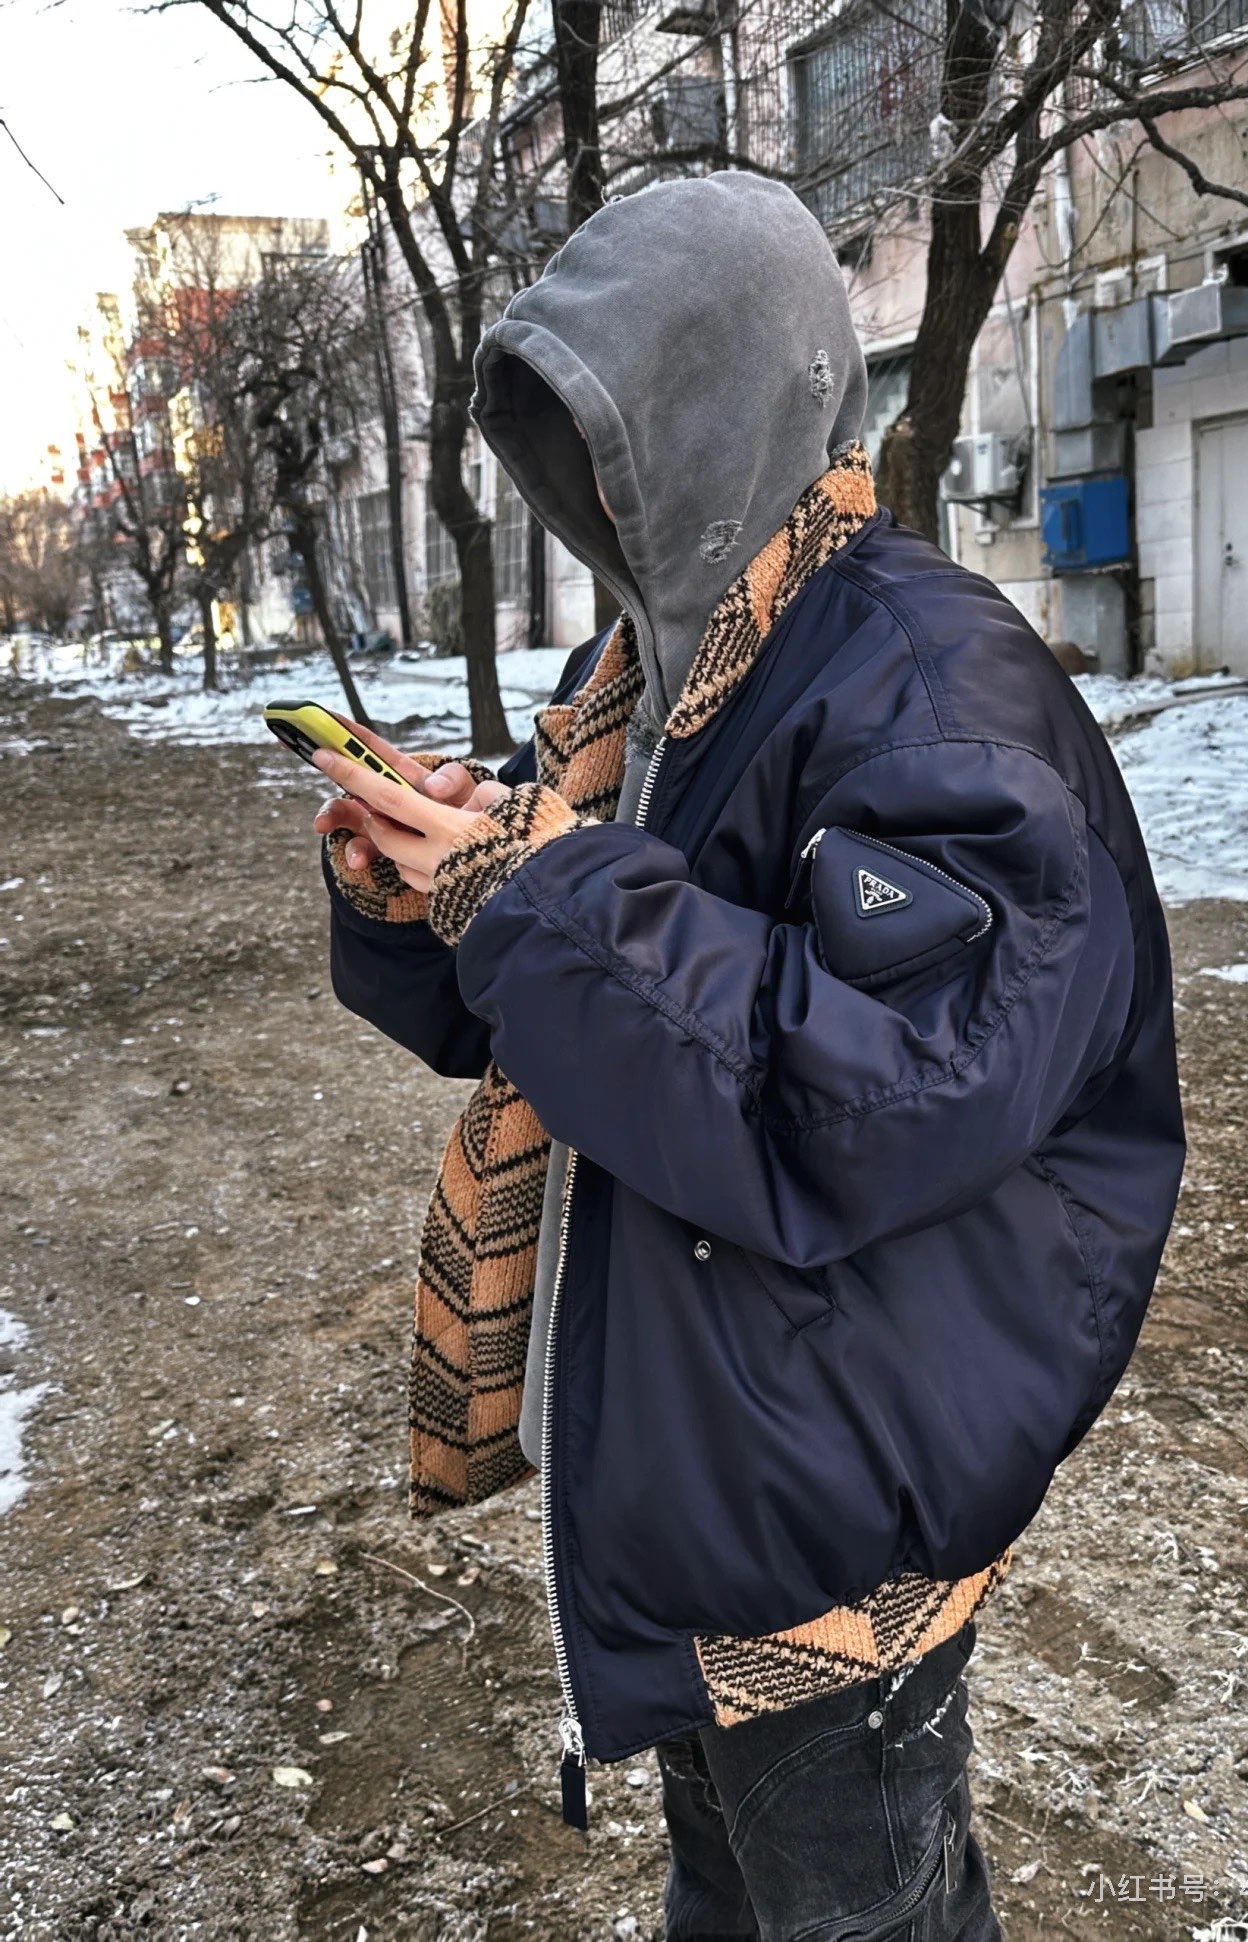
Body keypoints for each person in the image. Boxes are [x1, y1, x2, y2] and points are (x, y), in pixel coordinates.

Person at [311, 173, 1185, 1941]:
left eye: (618, 433)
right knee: (738, 1895)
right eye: (569, 449)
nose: (592, 490)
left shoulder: (933, 693)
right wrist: (429, 886)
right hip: (721, 1460)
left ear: (725, 410)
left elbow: (861, 1096)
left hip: (838, 1496)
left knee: (863, 1911)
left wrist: (536, 889)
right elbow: (564, 1011)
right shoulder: (664, 672)